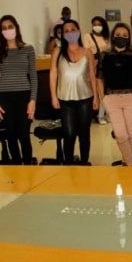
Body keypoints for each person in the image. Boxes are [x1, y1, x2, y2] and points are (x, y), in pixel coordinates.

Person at [49, 20, 98, 165]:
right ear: (63, 34)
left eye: (73, 29)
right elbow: (53, 73)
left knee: (84, 134)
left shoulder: (87, 51)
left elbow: (92, 75)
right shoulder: (58, 51)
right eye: (67, 30)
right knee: (69, 134)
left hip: (85, 97)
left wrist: (96, 97)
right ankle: (69, 163)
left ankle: (84, 162)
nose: (70, 32)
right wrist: (53, 96)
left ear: (78, 31)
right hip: (65, 98)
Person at [0, 15, 37, 165]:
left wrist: (33, 100)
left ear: (16, 27)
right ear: (0, 31)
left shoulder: (28, 49)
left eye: (10, 27)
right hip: (4, 96)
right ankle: (16, 166)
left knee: (24, 134)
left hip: (24, 95)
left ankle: (28, 165)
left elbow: (34, 77)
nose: (7, 30)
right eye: (4, 28)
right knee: (11, 134)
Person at [97, 23, 132, 166]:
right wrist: (102, 98)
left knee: (130, 133)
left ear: (129, 38)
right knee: (120, 133)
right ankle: (131, 163)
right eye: (118, 35)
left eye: (125, 35)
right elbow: (99, 78)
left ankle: (127, 163)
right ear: (112, 37)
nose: (121, 38)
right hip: (111, 98)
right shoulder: (105, 55)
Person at [83, 16, 109, 124]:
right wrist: (93, 63)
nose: (96, 26)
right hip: (93, 65)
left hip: (104, 65)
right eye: (94, 24)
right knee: (98, 91)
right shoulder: (88, 36)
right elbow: (87, 51)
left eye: (99, 24)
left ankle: (105, 114)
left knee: (105, 91)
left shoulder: (105, 37)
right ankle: (99, 115)